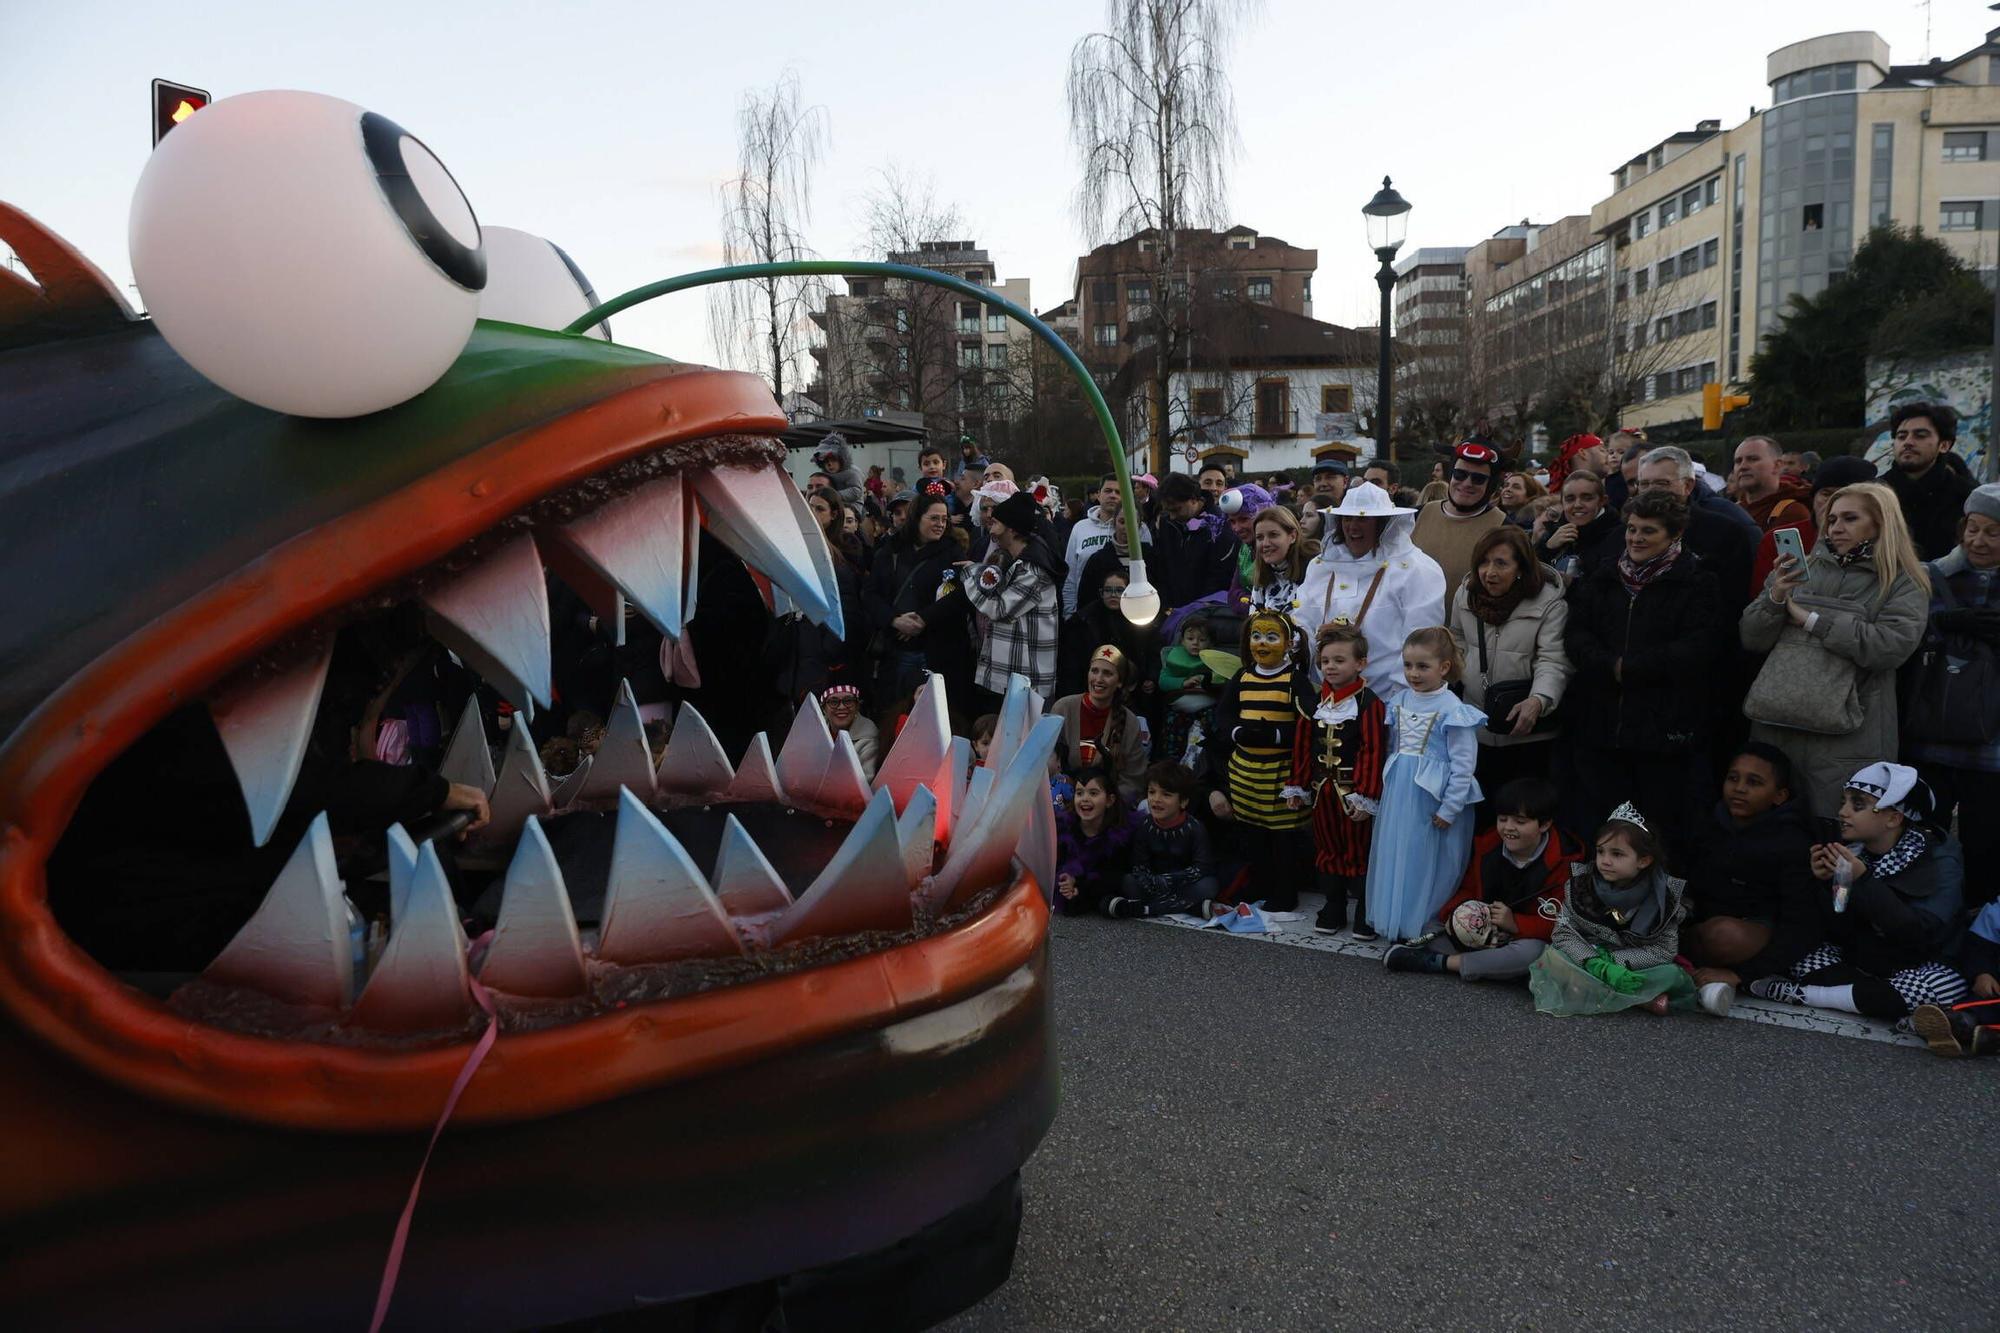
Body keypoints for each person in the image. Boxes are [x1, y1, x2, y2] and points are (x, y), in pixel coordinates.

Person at [1740, 481, 1928, 821]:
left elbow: (1890, 647)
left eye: (1850, 518)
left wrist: (1813, 620)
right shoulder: (1801, 568)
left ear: (1881, 523)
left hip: (1849, 736)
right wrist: (1776, 597)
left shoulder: (1902, 581)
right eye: (1832, 519)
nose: (1836, 527)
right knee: (1769, 836)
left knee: (1835, 839)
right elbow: (1751, 638)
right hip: (1776, 725)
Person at [1562, 490, 1718, 865]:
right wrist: (1606, 664)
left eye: (1648, 531)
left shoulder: (1697, 582)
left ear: (1674, 535)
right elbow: (1576, 634)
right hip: (1600, 730)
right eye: (1632, 529)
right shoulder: (1604, 576)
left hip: (1661, 736)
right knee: (1599, 829)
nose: (1635, 538)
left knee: (1658, 833)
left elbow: (1699, 646)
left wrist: (1633, 668)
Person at [1748, 763, 1967, 1020]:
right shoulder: (1853, 851)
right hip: (1863, 960)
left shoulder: (1940, 859)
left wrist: (1862, 881)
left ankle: (1802, 994)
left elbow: (1917, 934)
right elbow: (1839, 924)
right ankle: (1866, 998)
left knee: (1943, 987)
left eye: (1858, 805)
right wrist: (1824, 882)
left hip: (1921, 963)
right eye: (1844, 802)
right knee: (1803, 954)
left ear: (1893, 818)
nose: (1842, 812)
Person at [1526, 803, 1730, 1016]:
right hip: (1589, 958)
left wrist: (1613, 961)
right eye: (1600, 851)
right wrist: (1596, 962)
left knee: (1669, 973)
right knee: (1553, 958)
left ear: (1643, 860)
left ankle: (1597, 991)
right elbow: (1563, 932)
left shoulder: (1662, 899)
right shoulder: (1581, 886)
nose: (1605, 861)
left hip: (1631, 964)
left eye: (1617, 854)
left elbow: (1663, 951)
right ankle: (1643, 999)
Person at [1901, 483, 2000, 903]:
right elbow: (1902, 635)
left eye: (1993, 532)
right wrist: (1941, 625)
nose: (1978, 541)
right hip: (1930, 732)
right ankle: (1926, 921)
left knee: (1987, 844)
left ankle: (1980, 931)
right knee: (1925, 837)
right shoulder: (1930, 577)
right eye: (1972, 529)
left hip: (1993, 742)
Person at [1384, 776, 1586, 981]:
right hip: (1480, 932)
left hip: (1521, 938)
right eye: (1503, 819)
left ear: (1544, 825)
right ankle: (1492, 966)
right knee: (1430, 925)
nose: (1508, 828)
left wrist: (1514, 923)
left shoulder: (1564, 862)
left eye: (1520, 821)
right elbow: (1468, 888)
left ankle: (1439, 963)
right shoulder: (1488, 846)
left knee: (1534, 952)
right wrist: (1460, 914)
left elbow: (1560, 923)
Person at [1362, 627, 1485, 942]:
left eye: (1422, 666)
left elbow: (1463, 764)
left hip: (1432, 796)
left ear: (1444, 667)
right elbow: (1393, 747)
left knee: (1427, 857)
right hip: (1401, 791)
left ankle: (1421, 918)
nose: (1413, 673)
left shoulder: (1452, 709)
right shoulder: (1400, 699)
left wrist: (1451, 806)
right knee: (1398, 851)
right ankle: (1396, 916)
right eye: (1407, 665)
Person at [1679, 743, 1824, 993]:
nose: (1739, 789)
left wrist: (1740, 975)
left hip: (1755, 929)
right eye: (1733, 778)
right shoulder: (1708, 823)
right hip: (1697, 922)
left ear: (1780, 796)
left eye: (1754, 782)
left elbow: (1802, 923)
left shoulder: (1793, 842)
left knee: (1724, 937)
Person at [1447, 526, 1571, 815]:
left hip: (1525, 731)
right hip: (1475, 725)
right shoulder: (1466, 595)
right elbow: (1457, 639)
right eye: (1483, 562)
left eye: (1501, 563)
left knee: (1519, 813)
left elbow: (1553, 660)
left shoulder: (1549, 603)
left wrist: (1539, 699)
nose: (1489, 572)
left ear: (1520, 568)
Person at [1294, 482, 1446, 699]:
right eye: (1347, 518)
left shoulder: (1418, 569)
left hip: (1385, 700)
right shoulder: (1322, 565)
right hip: (1325, 698)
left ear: (1384, 523)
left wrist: (1396, 703)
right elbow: (1304, 620)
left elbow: (1419, 642)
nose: (1352, 527)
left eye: (1363, 519)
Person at [1207, 608, 1316, 911]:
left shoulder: (1295, 680)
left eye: (1271, 636)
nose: (1262, 643)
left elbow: (1309, 722)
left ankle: (1285, 892)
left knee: (1283, 840)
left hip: (1281, 775)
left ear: (1288, 643)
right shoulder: (1242, 677)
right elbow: (1224, 714)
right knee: (1252, 835)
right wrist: (1238, 732)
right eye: (1256, 636)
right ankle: (1259, 883)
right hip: (1245, 774)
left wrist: (1277, 736)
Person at [1287, 622, 1388, 937]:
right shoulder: (1314, 703)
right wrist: (1297, 786)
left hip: (1352, 795)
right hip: (1321, 793)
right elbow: (1302, 748)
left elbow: (1373, 751)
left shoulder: (1369, 704)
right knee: (1327, 848)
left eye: (1339, 660)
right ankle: (1333, 906)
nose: (1330, 667)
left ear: (1360, 664)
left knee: (1358, 852)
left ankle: (1363, 912)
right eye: (1325, 661)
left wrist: (1367, 796)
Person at [864, 493, 975, 722]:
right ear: (916, 518)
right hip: (897, 651)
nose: (940, 524)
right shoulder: (890, 550)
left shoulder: (952, 551)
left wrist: (924, 619)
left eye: (944, 519)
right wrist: (894, 620)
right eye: (934, 518)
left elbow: (961, 596)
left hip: (938, 650)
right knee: (895, 715)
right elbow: (871, 594)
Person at [961, 491, 1064, 709]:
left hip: (1028, 683)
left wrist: (971, 575)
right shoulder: (1016, 561)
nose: (990, 525)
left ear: (1012, 529)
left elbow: (999, 609)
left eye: (996, 521)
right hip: (1012, 677)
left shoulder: (1033, 570)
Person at [1633, 446, 1757, 611]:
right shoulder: (1624, 533)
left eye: (1662, 483)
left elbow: (1733, 603)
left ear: (1688, 486)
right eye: (1644, 484)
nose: (1651, 491)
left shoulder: (1725, 533)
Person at [1104, 762, 1221, 919]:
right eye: (1152, 792)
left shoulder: (1195, 828)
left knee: (1209, 886)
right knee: (1128, 881)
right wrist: (1152, 881)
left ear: (1183, 801)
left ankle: (1145, 909)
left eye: (1166, 795)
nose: (1156, 799)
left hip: (1183, 884)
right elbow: (1139, 866)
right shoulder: (1144, 825)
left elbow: (1202, 867)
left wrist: (1168, 880)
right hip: (1153, 885)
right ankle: (1188, 908)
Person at [1051, 644, 1150, 805]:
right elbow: (1045, 761)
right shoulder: (1063, 708)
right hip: (1064, 800)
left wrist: (1105, 803)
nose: (1098, 679)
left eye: (1107, 673)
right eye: (1094, 671)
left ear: (1119, 682)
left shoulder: (1130, 722)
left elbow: (1133, 778)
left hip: (1109, 806)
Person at [1878, 401, 1975, 562]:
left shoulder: (1965, 497)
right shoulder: (1874, 494)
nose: (1908, 442)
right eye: (1901, 436)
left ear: (1944, 445)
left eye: (1920, 435)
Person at [1411, 441, 1507, 596]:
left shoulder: (1505, 528)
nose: (1467, 483)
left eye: (1478, 479)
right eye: (1460, 474)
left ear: (1491, 485)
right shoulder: (1416, 516)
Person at [1053, 766, 1141, 916]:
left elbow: (1113, 875)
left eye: (1093, 793)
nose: (1085, 799)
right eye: (1079, 793)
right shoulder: (1064, 830)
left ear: (1109, 800)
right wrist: (1066, 881)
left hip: (1102, 889)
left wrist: (1078, 883)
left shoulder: (1120, 836)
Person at [1151, 471, 1240, 611]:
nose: (1172, 517)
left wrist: (1198, 609)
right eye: (1168, 511)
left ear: (1193, 499)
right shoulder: (1167, 522)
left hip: (1203, 610)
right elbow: (1162, 565)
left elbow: (1219, 576)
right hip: (1170, 607)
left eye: (1176, 510)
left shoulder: (1218, 525)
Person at [1060, 474, 1148, 614]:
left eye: (1118, 492)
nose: (1113, 495)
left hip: (1131, 611)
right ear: (1098, 495)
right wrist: (1070, 613)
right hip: (1088, 610)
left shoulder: (1139, 528)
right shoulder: (1080, 528)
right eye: (1108, 491)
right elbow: (1070, 574)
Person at [1533, 468, 1621, 582]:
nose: (1578, 504)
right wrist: (1547, 548)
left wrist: (1570, 584)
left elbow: (1605, 588)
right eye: (1570, 499)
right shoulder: (1554, 531)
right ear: (1562, 503)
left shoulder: (1617, 534)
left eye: (1587, 498)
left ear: (1602, 501)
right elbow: (1528, 574)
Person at [1233, 503, 1315, 621]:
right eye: (1260, 537)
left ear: (1292, 536)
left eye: (1273, 535)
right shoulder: (1262, 575)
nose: (1265, 544)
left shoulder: (1314, 571)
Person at [820, 683, 880, 780]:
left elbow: (865, 781)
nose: (841, 707)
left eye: (848, 701)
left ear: (857, 707)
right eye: (833, 702)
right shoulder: (814, 730)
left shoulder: (868, 735)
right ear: (824, 709)